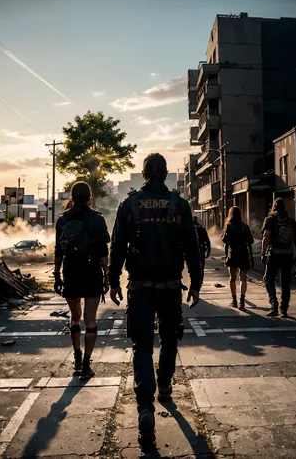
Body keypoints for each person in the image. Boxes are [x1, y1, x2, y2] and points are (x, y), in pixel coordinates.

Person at [108, 153, 202, 451]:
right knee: (170, 339)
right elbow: (192, 247)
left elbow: (117, 247)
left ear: (145, 173)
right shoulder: (179, 205)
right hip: (171, 286)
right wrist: (196, 284)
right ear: (165, 174)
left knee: (142, 345)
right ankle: (164, 387)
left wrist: (112, 281)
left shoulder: (129, 205)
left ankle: (145, 408)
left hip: (140, 288)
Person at [53, 182, 110, 379]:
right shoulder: (96, 219)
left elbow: (58, 251)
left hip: (71, 273)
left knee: (75, 316)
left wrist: (56, 274)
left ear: (72, 196)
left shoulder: (62, 220)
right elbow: (103, 252)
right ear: (89, 197)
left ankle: (76, 357)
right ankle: (86, 363)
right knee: (90, 319)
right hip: (92, 272)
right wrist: (107, 276)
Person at [261, 197, 296, 318]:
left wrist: (263, 253)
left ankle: (274, 304)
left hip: (274, 254)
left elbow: (266, 236)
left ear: (274, 207)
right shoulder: (291, 221)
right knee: (285, 283)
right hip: (287, 255)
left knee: (268, 279)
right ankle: (283, 309)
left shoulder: (270, 219)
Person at [221, 206, 254, 310]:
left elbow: (225, 242)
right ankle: (242, 300)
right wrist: (251, 258)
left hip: (233, 254)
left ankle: (234, 300)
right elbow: (250, 242)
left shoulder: (229, 226)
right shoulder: (245, 226)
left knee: (232, 278)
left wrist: (226, 256)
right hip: (244, 254)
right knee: (243, 278)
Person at [193, 216, 211, 285]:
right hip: (201, 250)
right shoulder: (202, 229)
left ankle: (194, 281)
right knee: (201, 267)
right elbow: (207, 241)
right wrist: (208, 250)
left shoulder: (189, 229)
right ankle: (200, 281)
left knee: (193, 267)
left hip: (192, 251)